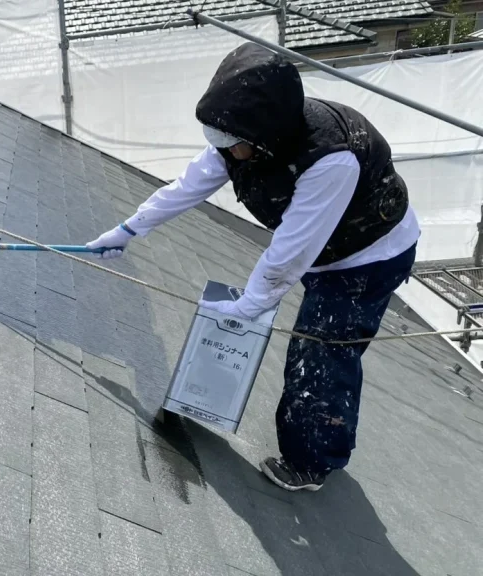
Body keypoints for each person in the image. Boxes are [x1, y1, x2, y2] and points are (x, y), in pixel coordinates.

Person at [86, 42, 420, 492]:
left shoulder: (330, 159)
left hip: (368, 256)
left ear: (264, 136)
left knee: (321, 351)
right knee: (317, 339)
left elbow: (292, 248)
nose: (222, 153)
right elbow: (188, 186)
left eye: (229, 145)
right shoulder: (245, 136)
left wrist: (251, 305)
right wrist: (128, 229)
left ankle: (312, 462)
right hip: (324, 246)